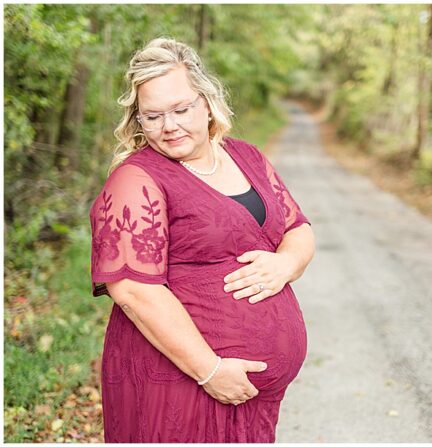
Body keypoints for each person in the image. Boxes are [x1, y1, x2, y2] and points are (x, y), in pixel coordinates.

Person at [89, 37, 315, 442]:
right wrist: (210, 370)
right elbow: (133, 291)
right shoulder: (136, 179)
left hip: (251, 398)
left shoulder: (246, 156)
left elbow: (297, 228)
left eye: (181, 109)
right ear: (137, 120)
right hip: (181, 382)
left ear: (206, 101)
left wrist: (285, 264)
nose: (169, 125)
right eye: (153, 116)